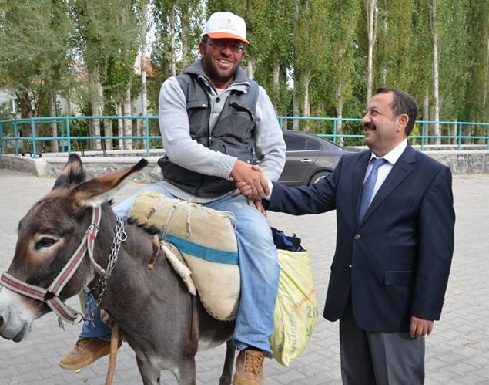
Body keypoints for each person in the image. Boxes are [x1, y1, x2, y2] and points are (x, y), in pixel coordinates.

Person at [59, 11, 286, 385]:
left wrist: (260, 184)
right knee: (104, 222)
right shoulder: (175, 87)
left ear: (242, 53)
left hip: (229, 198)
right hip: (174, 190)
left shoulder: (257, 96)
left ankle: (252, 349)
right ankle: (96, 331)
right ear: (204, 46)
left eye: (235, 46)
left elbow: (275, 153)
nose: (227, 52)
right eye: (219, 44)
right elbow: (178, 147)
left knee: (263, 245)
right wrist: (235, 167)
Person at [238, 87, 455, 385]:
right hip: (351, 300)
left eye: (374, 113)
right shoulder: (351, 165)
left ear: (401, 121)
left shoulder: (430, 175)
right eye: (367, 112)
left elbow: (437, 251)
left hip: (397, 309)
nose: (365, 119)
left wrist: (426, 308)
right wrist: (266, 189)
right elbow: (311, 199)